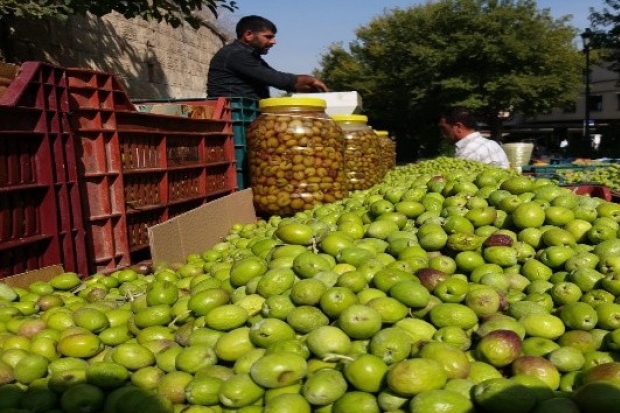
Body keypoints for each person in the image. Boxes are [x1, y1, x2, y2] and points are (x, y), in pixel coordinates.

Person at [207, 15, 328, 99]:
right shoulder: (235, 54)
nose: (273, 42)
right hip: (233, 117)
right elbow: (278, 80)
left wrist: (313, 89)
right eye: (268, 37)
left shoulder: (250, 56)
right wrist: (310, 79)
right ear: (248, 35)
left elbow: (276, 78)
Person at [438, 106, 510, 168]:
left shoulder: (468, 152)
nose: (442, 133)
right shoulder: (491, 143)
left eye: (443, 128)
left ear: (458, 127)